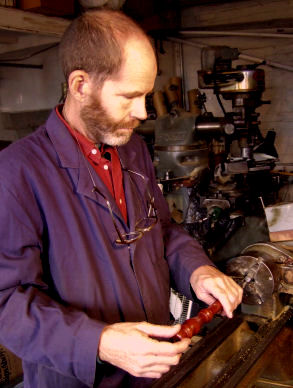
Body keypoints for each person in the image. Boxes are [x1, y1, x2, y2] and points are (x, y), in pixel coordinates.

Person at [0, 8, 242, 388]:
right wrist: (98, 342)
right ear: (80, 85)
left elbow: (161, 230)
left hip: (154, 371)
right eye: (129, 96)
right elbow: (7, 303)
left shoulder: (133, 151)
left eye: (145, 95)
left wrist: (198, 268)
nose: (143, 112)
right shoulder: (16, 172)